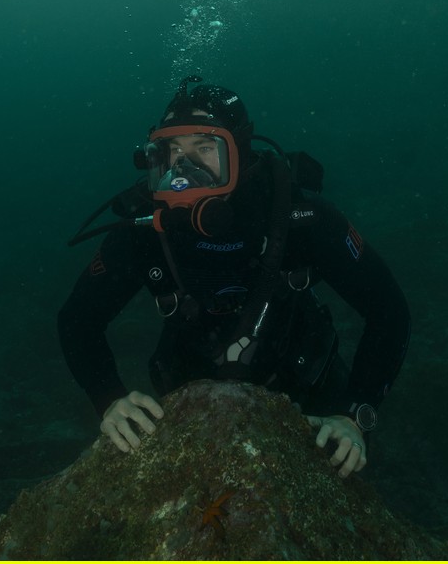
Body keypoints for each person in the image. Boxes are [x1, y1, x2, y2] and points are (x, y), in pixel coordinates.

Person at [58, 76, 411, 478]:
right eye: (173, 150)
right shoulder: (143, 233)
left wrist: (353, 416)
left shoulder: (303, 221)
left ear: (239, 151)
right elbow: (77, 320)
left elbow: (389, 311)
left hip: (313, 397)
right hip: (191, 404)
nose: (184, 169)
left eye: (205, 148)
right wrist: (108, 398)